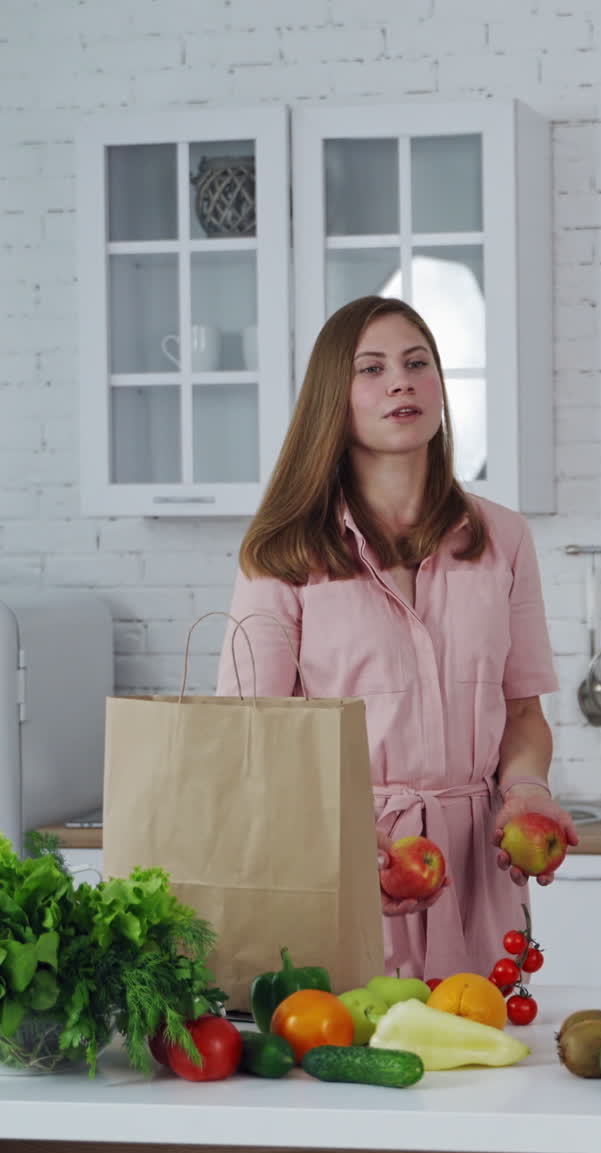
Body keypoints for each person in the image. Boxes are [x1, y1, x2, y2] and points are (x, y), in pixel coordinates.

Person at [216, 295, 578, 980]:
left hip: (478, 878)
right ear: (335, 398)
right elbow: (251, 737)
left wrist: (527, 787)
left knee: (482, 1042)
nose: (401, 383)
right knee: (352, 1039)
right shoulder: (283, 551)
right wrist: (349, 842)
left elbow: (523, 712)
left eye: (417, 364)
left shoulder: (504, 538)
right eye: (372, 368)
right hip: (339, 869)